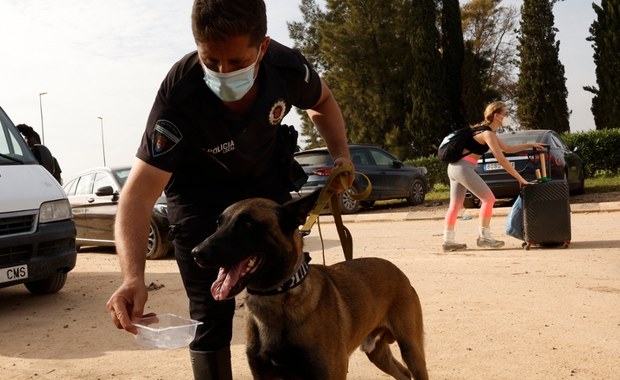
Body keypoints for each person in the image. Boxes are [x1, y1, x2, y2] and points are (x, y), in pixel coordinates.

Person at [105, 1, 353, 379]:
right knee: (210, 312)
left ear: (263, 48)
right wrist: (132, 277)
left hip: (262, 182)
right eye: (211, 61)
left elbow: (322, 101)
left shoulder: (286, 68)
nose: (222, 74)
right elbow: (138, 195)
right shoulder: (180, 93)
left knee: (284, 278)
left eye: (237, 63)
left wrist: (341, 157)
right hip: (199, 194)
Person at [442, 101, 544, 251]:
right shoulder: (487, 133)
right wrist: (521, 179)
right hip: (464, 168)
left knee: (455, 205)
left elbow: (508, 149)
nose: (507, 116)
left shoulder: (487, 132)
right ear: (497, 116)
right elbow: (501, 159)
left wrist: (529, 144)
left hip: (454, 167)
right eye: (506, 114)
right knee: (488, 199)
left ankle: (448, 241)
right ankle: (484, 238)